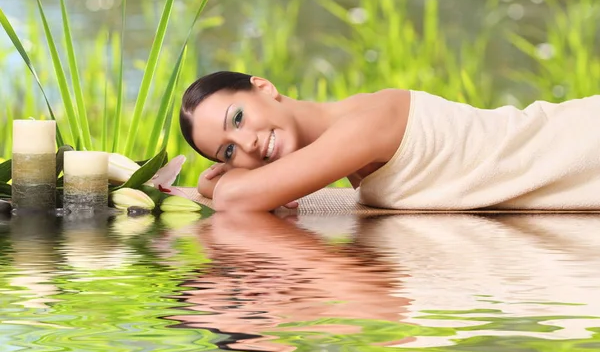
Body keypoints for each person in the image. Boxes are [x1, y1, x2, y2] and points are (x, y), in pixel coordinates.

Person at [179, 71, 600, 212]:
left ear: (265, 87)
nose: (247, 144)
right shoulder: (339, 148)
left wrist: (213, 184)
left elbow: (237, 200)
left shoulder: (365, 123)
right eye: (228, 151)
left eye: (238, 117)